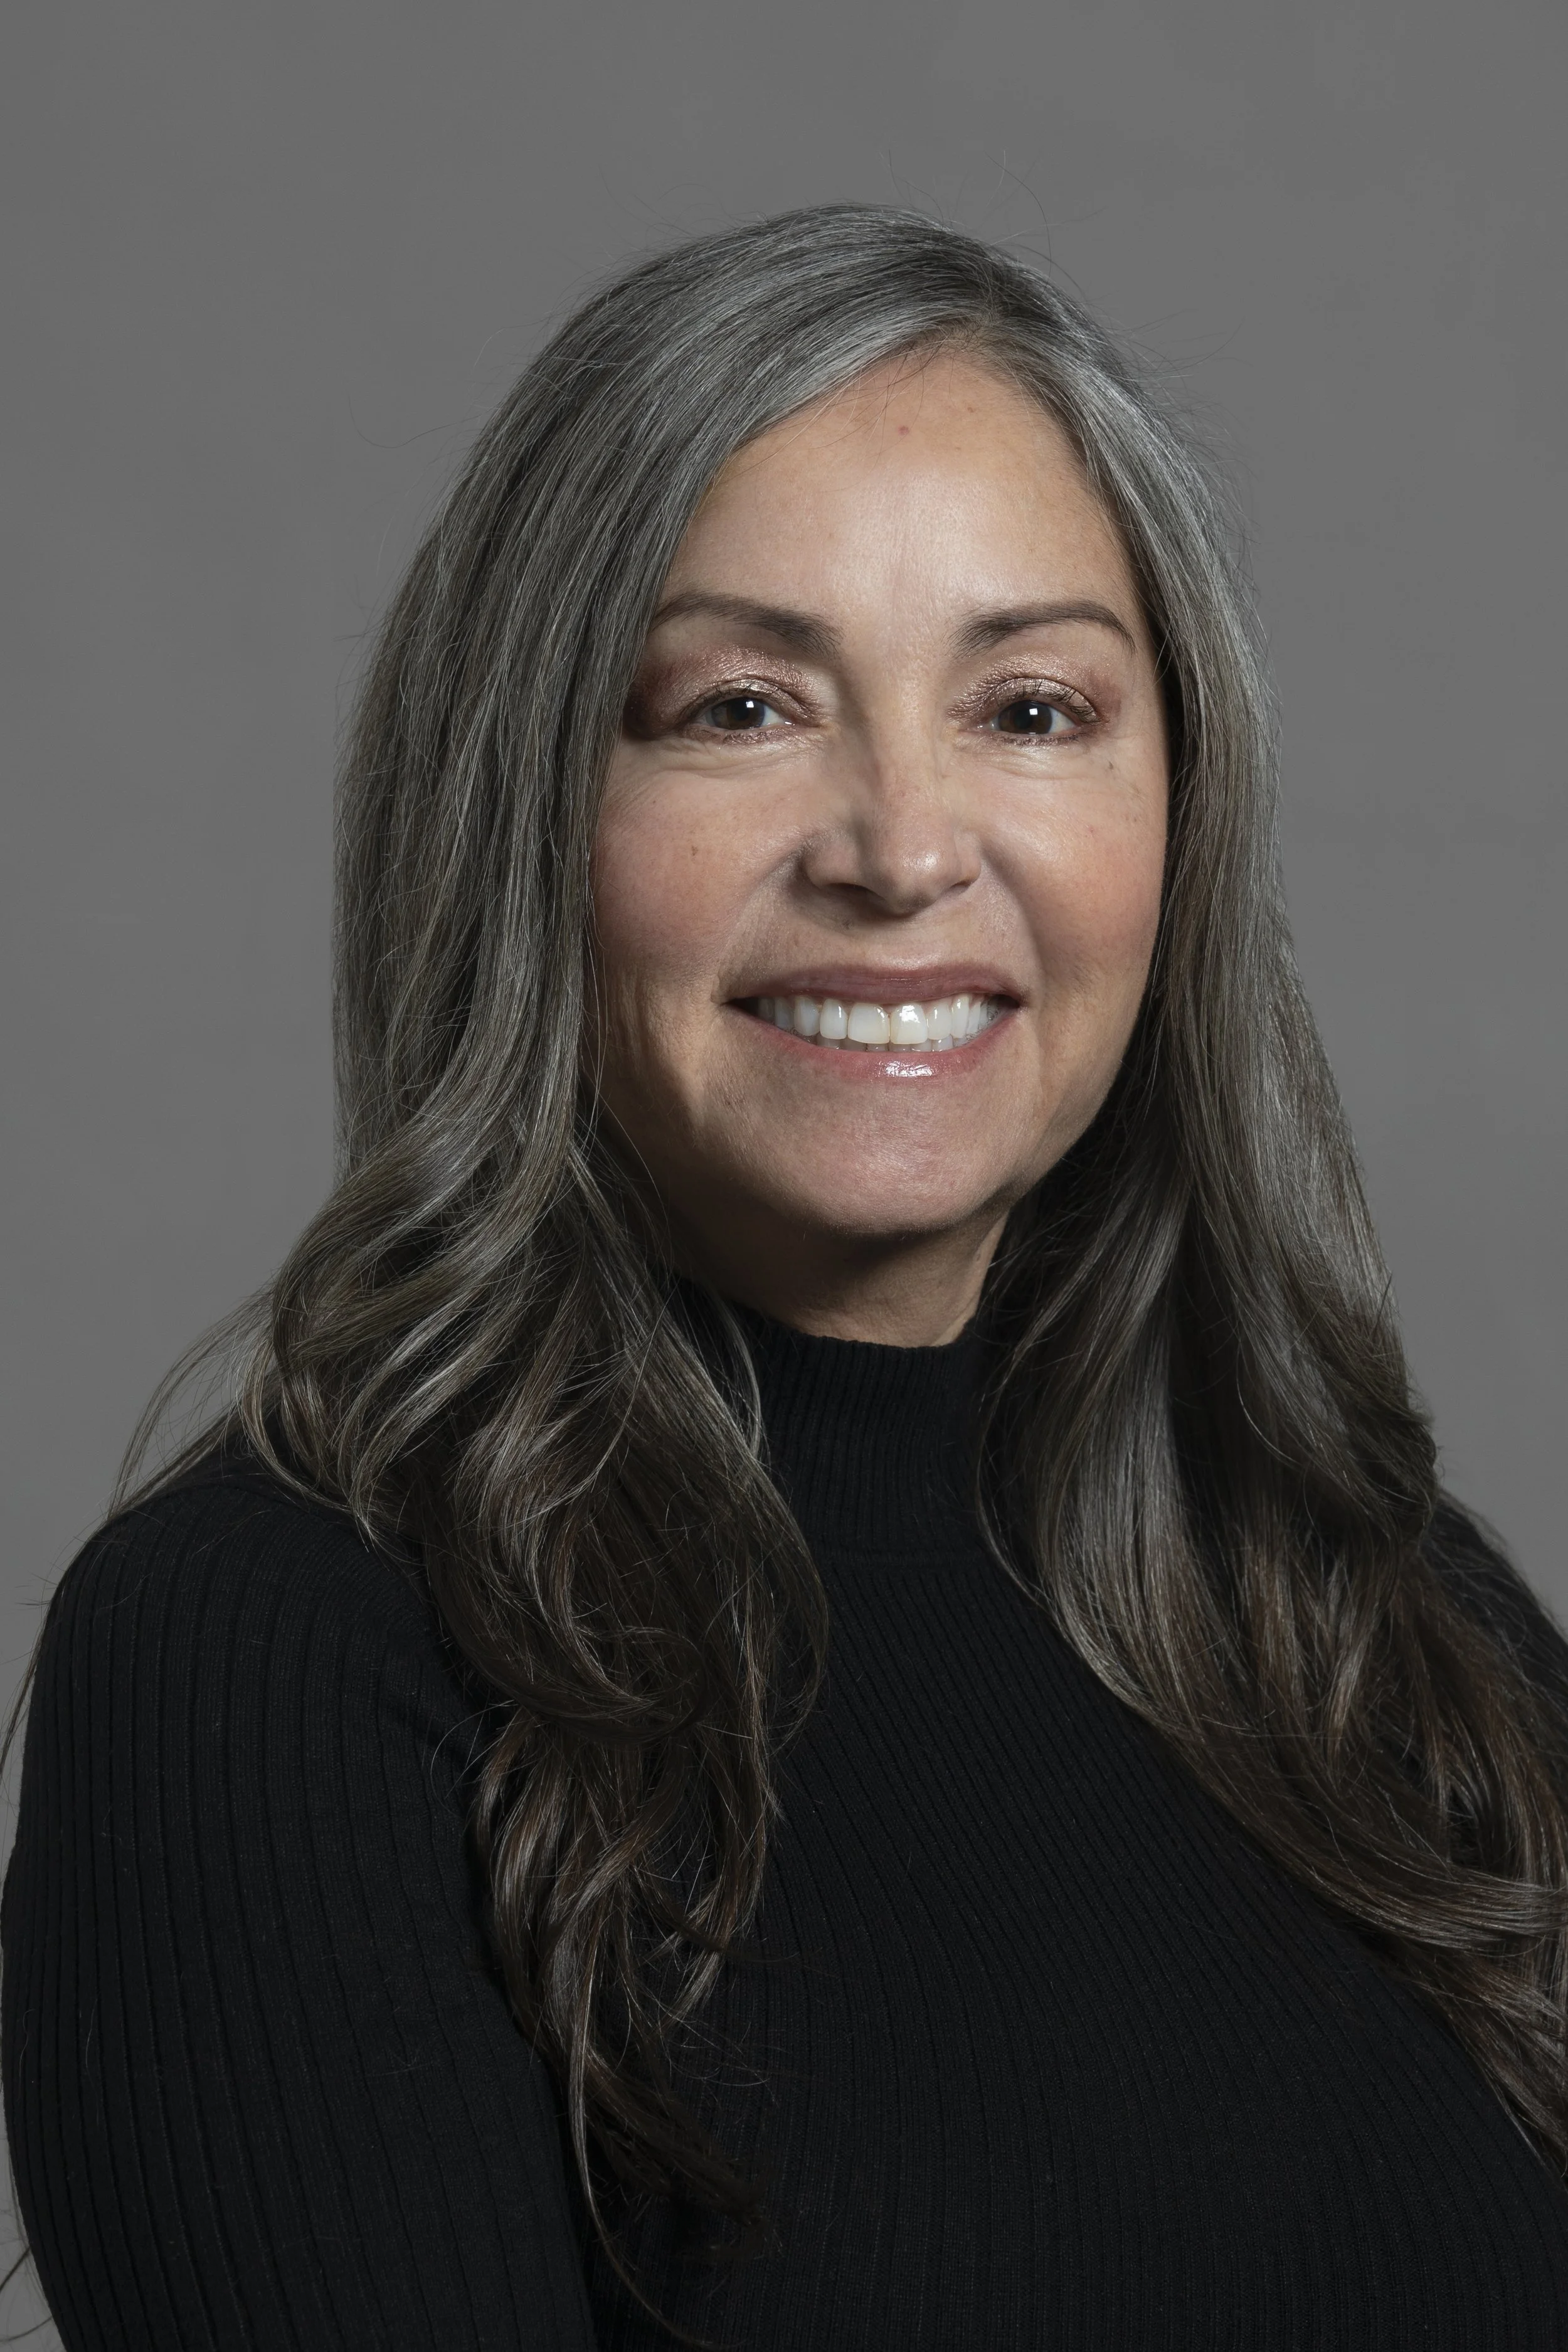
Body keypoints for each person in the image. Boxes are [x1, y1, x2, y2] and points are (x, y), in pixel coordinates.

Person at [6, 205, 1568, 2351]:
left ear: (1177, 822)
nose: (902, 844)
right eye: (738, 704)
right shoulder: (270, 1666)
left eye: (1031, 706)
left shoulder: (1391, 1625)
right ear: (531, 811)